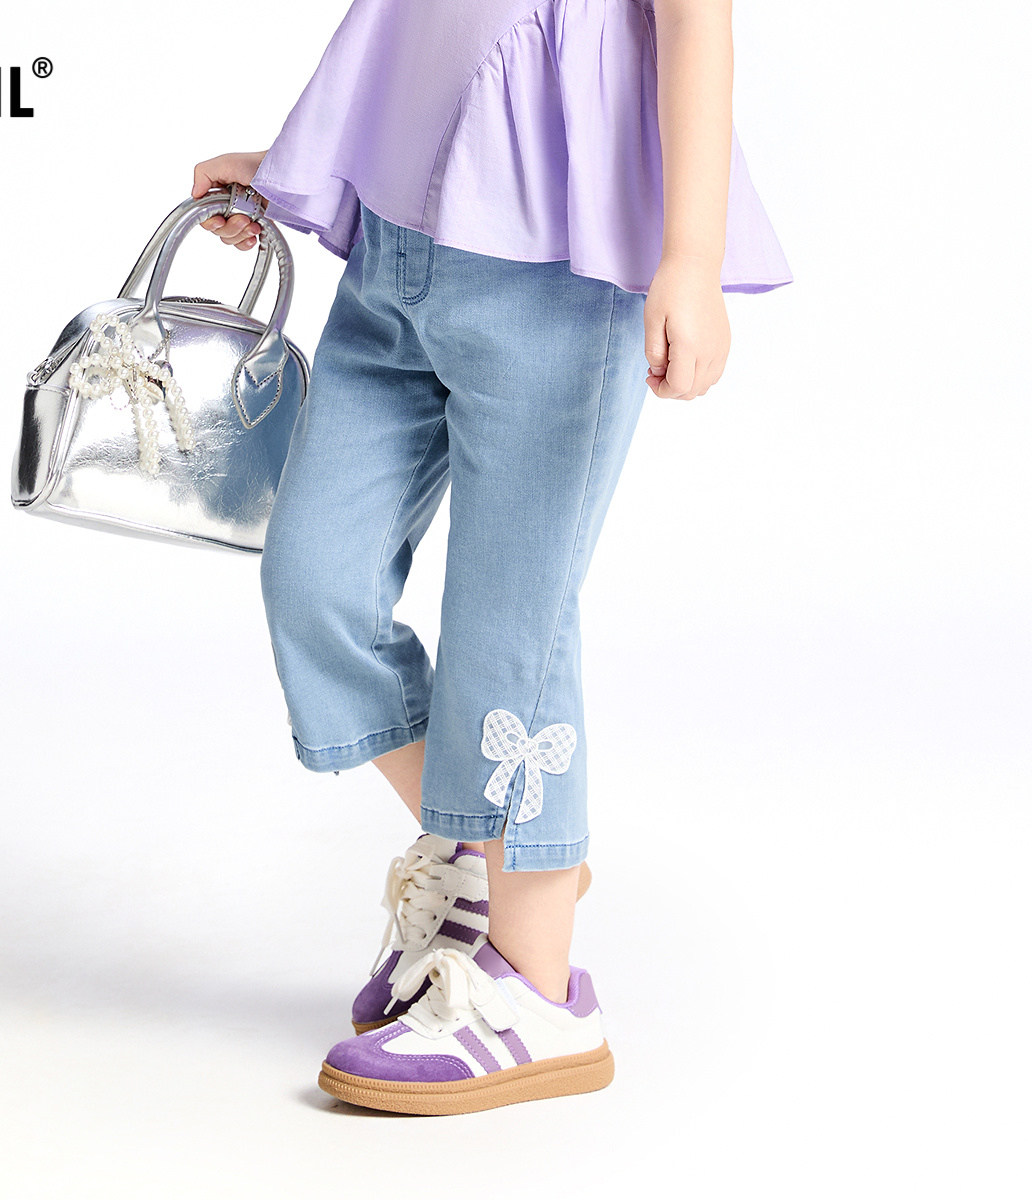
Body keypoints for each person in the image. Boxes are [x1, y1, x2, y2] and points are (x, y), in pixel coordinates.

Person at [191, 0, 792, 1116]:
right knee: (315, 581)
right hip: (394, 259)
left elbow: (694, 24)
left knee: (510, 630)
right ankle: (508, 853)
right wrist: (291, 163)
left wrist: (692, 257)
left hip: (560, 276)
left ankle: (542, 994)